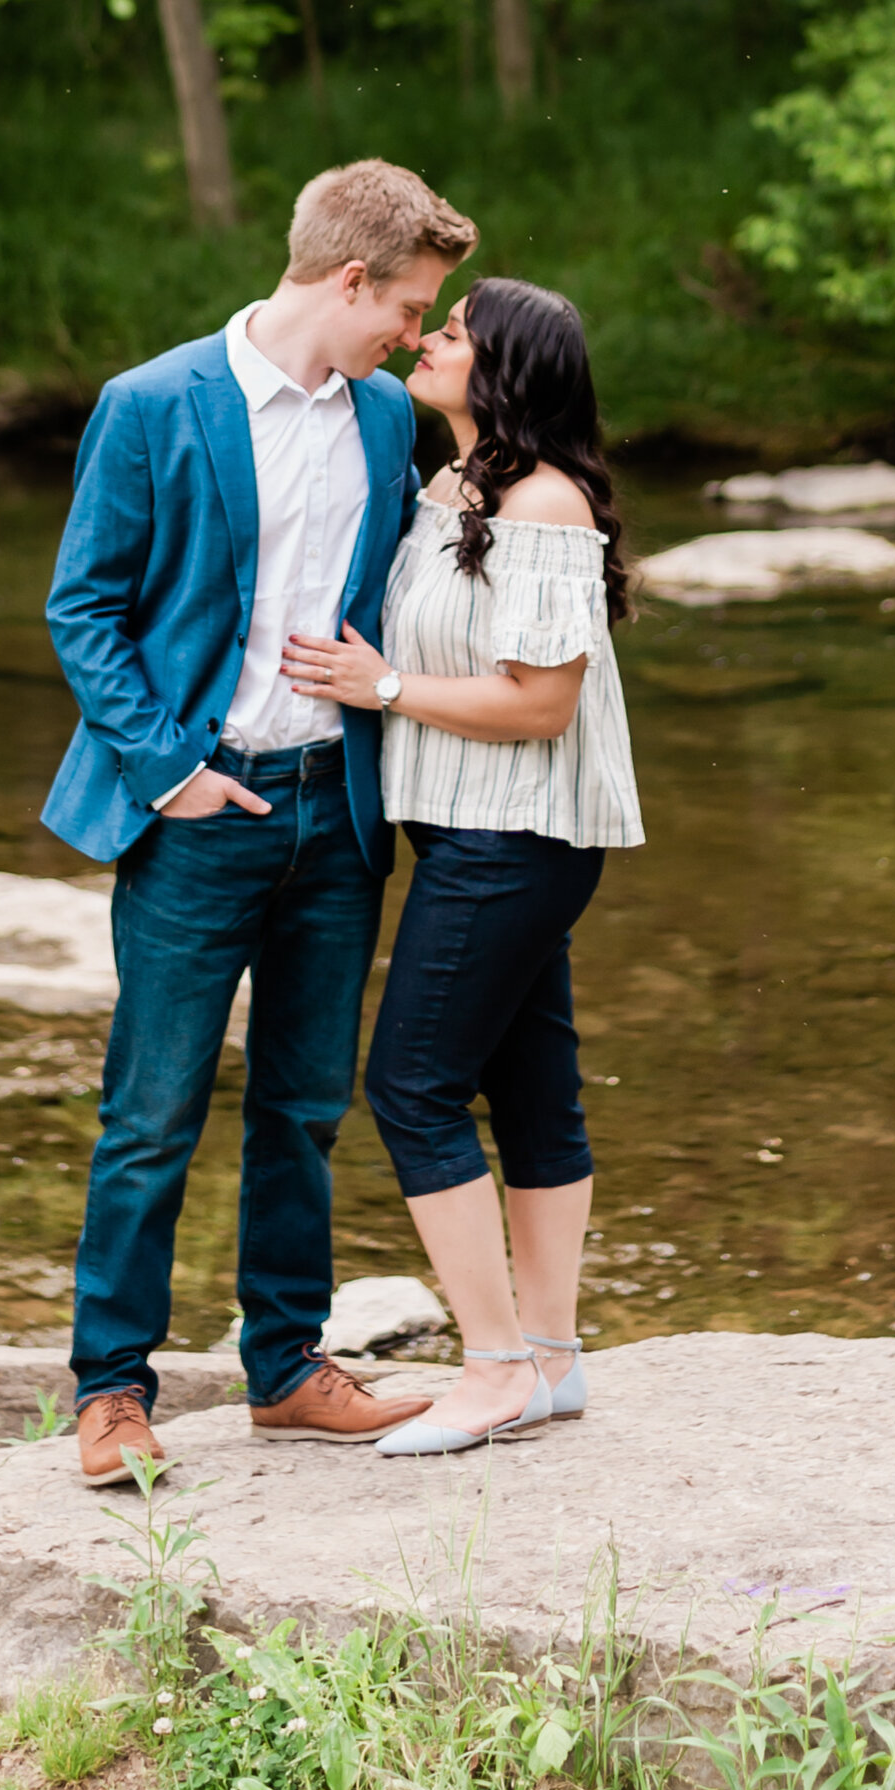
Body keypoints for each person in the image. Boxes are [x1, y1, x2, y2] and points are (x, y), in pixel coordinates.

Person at [44, 157, 478, 1487]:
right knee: (153, 1111)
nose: (414, 331)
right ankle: (111, 1391)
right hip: (201, 808)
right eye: (407, 305)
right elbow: (85, 608)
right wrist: (168, 768)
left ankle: (287, 1368)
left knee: (301, 1104)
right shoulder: (153, 403)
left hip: (334, 810)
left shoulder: (392, 415)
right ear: (349, 279)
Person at [280, 277, 639, 1457]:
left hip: (518, 835)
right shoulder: (457, 481)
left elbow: (540, 706)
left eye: (452, 331)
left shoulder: (543, 500)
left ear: (504, 372)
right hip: (470, 827)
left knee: (413, 1087)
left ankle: (489, 1372)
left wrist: (377, 686)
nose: (428, 342)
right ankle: (548, 1358)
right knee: (536, 1088)